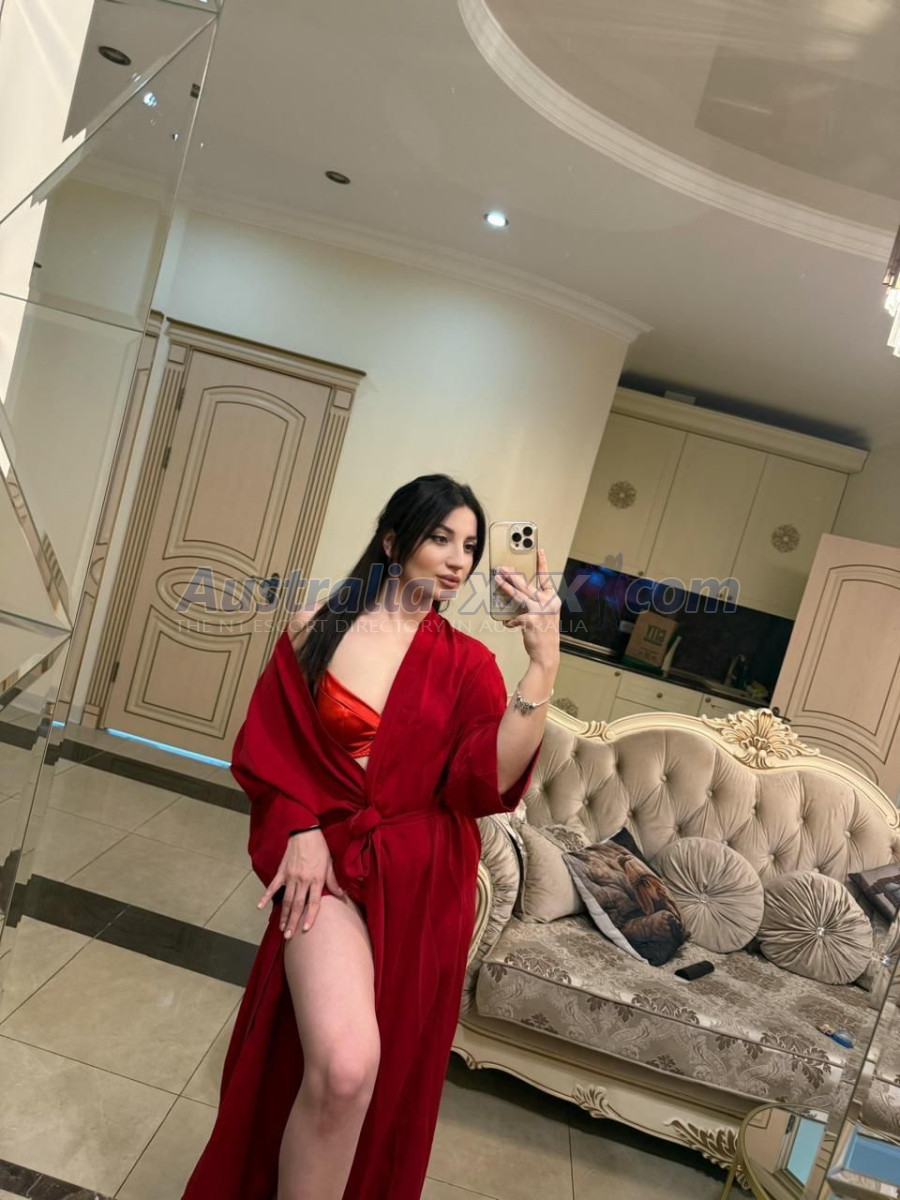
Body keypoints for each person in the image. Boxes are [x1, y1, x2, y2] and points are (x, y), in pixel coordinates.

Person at [181, 473, 560, 1200]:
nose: (457, 560)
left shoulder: (469, 664)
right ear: (393, 540)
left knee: (369, 1082)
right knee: (346, 1064)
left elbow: (486, 782)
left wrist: (543, 664)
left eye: (470, 546)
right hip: (328, 870)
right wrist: (299, 825)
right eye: (440, 537)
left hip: (423, 884)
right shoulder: (316, 627)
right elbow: (268, 748)